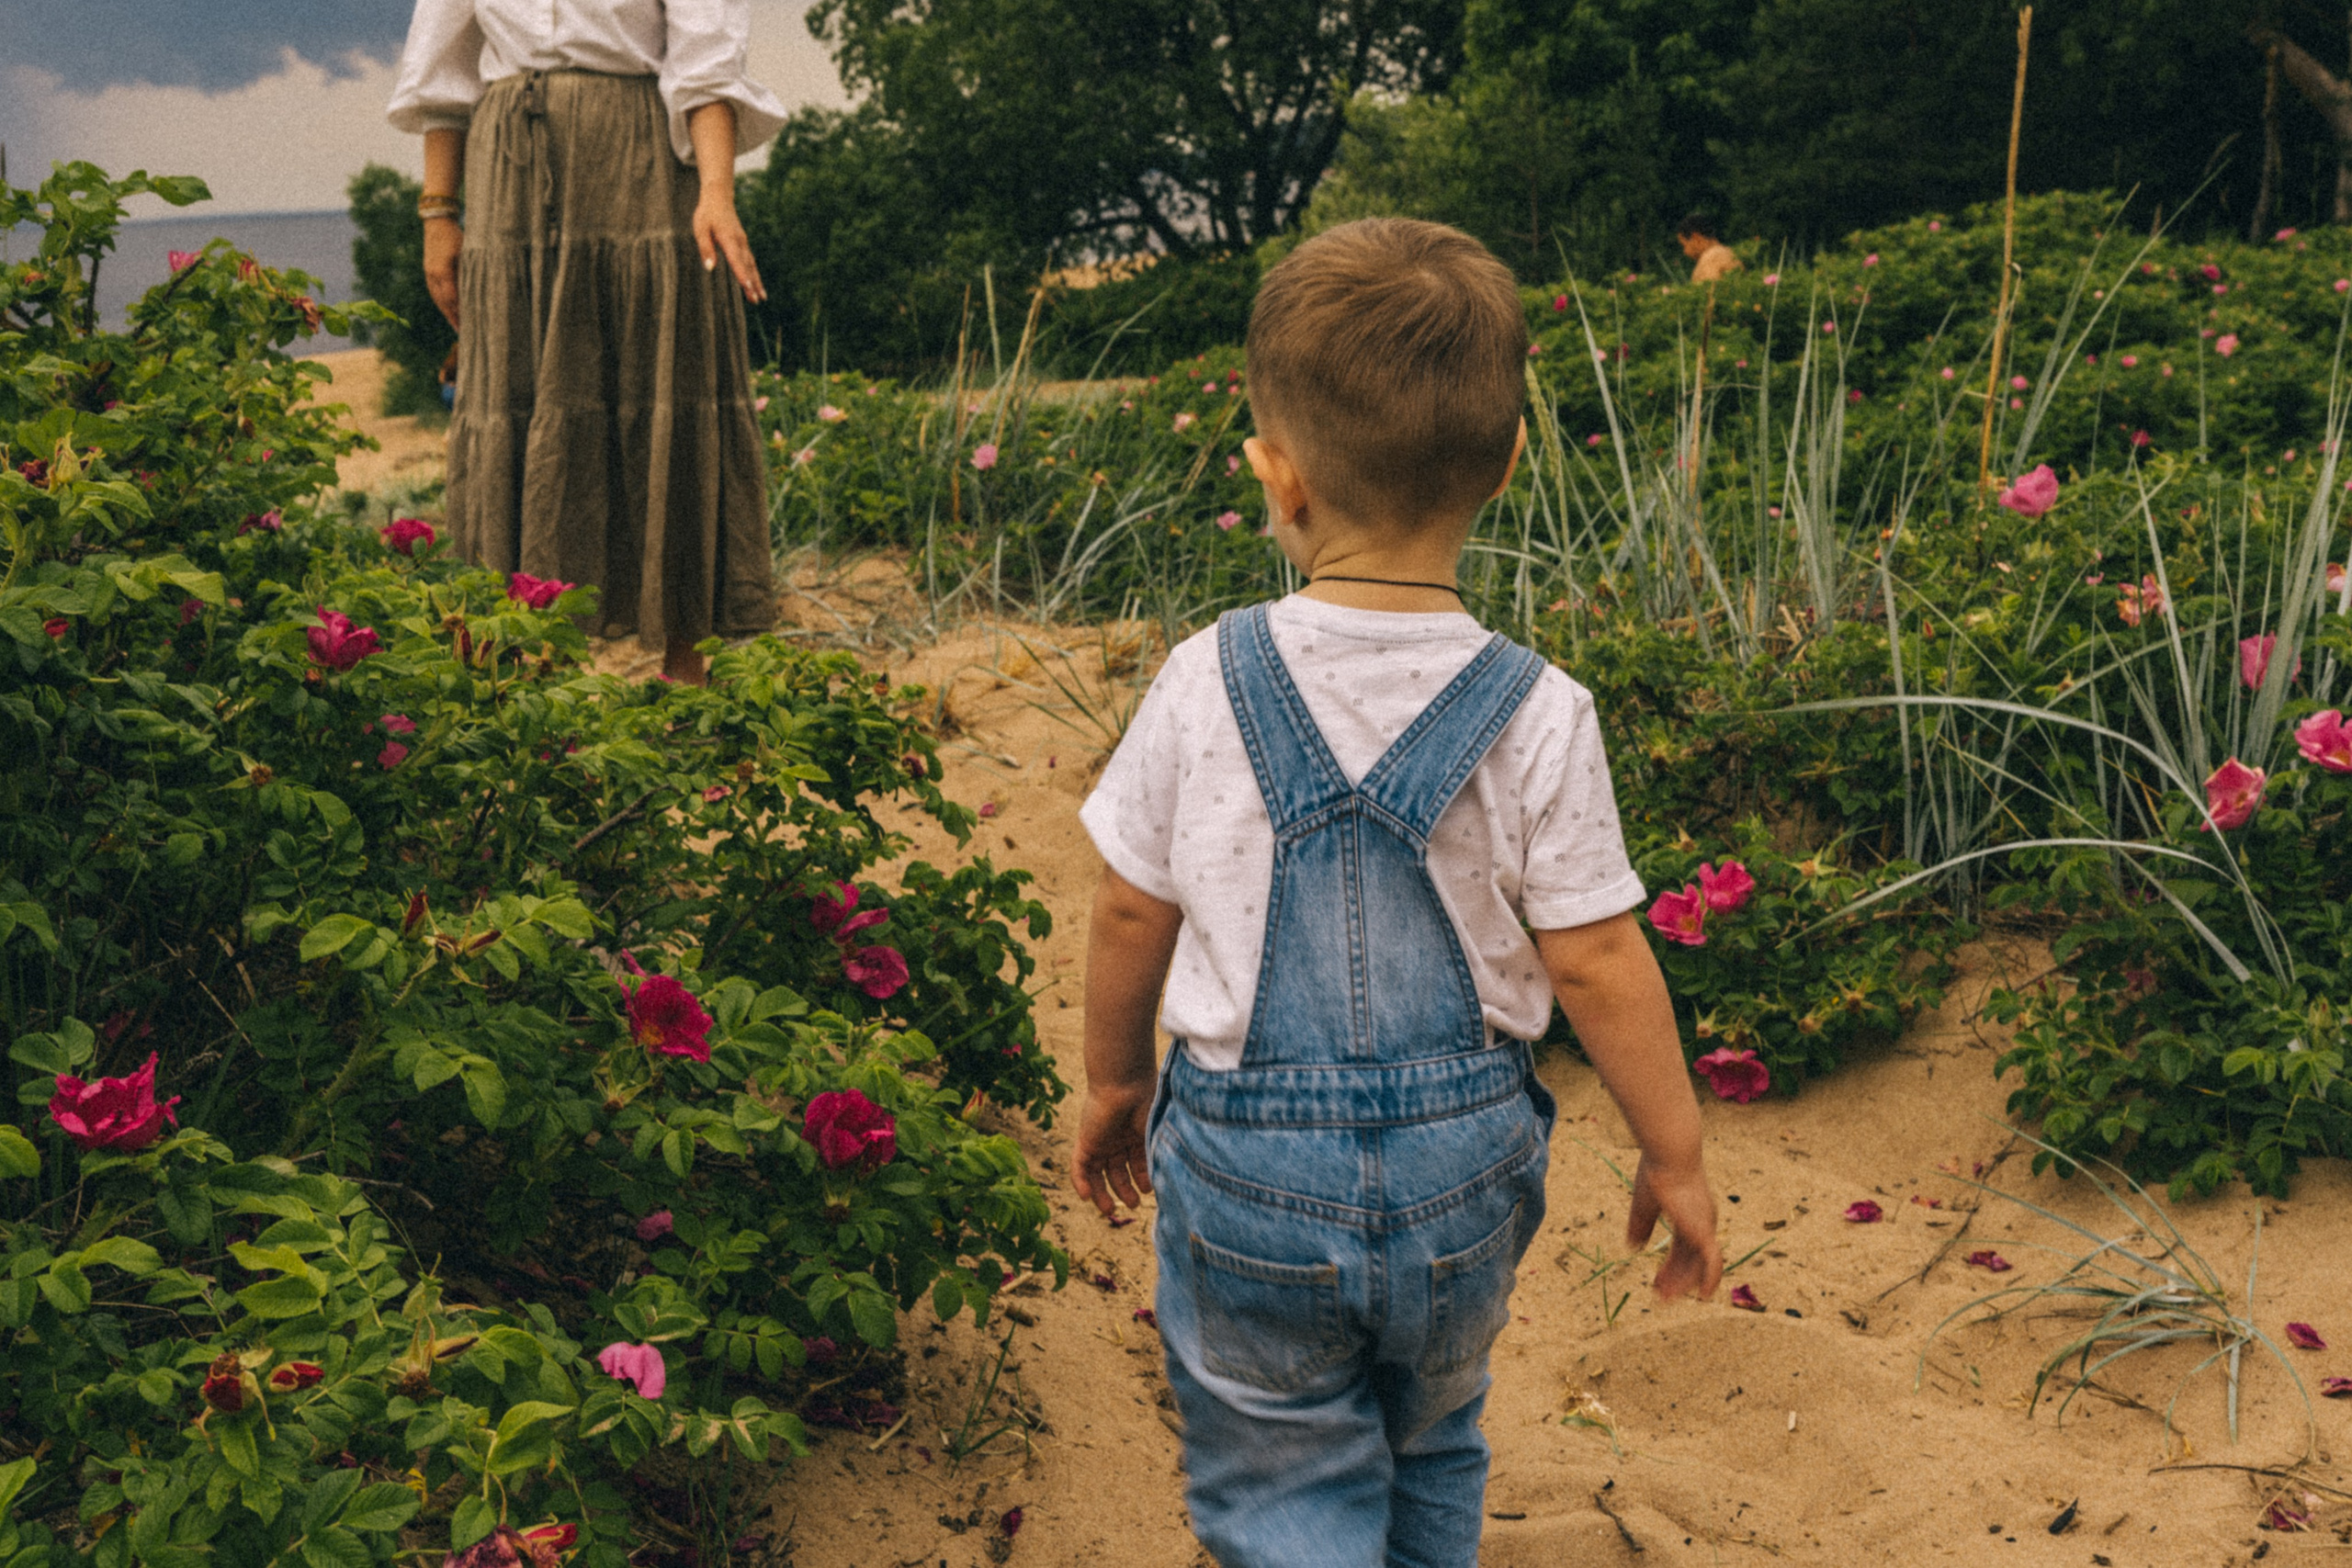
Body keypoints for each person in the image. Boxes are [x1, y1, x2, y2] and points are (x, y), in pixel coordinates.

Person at [1071, 217, 1723, 1568]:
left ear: (1278, 475)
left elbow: (1133, 906)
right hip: (1464, 1172)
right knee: (1434, 1427)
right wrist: (1679, 1150)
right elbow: (1600, 954)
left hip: (1251, 1168)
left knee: (1278, 1460)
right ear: (1510, 463)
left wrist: (1115, 1082)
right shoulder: (1542, 708)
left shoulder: (1206, 676)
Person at [386, 0, 787, 684]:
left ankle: (687, 676)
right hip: (509, 177)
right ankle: (521, 676)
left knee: (667, 387)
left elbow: (707, 61)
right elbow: (442, 76)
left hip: (643, 164)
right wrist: (437, 213)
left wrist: (716, 190)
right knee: (518, 399)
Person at [1678, 212, 1744, 284]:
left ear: (1696, 238)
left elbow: (1710, 289)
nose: (1685, 252)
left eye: (1684, 245)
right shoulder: (1730, 252)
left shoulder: (1710, 257)